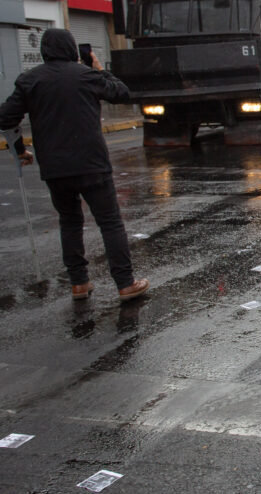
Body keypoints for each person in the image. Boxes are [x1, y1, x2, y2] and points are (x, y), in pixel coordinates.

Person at [0, 29, 149, 301]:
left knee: (69, 222)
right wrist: (101, 70)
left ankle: (79, 283)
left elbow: (5, 117)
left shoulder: (29, 81)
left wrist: (20, 150)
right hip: (92, 164)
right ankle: (125, 283)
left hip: (55, 169)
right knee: (110, 223)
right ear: (71, 49)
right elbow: (122, 93)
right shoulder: (87, 76)